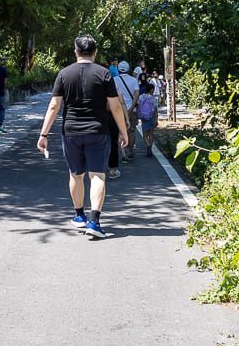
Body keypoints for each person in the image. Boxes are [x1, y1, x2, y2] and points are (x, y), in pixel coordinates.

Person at [37, 34, 129, 238]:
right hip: (98, 131)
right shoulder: (104, 74)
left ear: (75, 52)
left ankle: (79, 216)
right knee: (97, 175)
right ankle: (94, 222)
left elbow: (54, 106)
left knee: (75, 174)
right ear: (95, 53)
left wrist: (43, 134)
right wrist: (123, 131)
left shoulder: (64, 74)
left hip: (71, 132)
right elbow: (114, 106)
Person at [114, 61, 140, 160]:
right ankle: (130, 150)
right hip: (131, 110)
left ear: (118, 69)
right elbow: (137, 94)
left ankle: (123, 153)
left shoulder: (114, 79)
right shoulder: (134, 80)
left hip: (118, 110)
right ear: (128, 69)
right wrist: (132, 107)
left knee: (119, 131)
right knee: (132, 131)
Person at [136, 82, 158, 157]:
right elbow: (155, 111)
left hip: (144, 118)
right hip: (151, 117)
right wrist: (156, 120)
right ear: (151, 90)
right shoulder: (154, 99)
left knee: (145, 135)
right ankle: (150, 147)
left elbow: (138, 107)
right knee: (151, 134)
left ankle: (148, 145)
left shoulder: (141, 97)